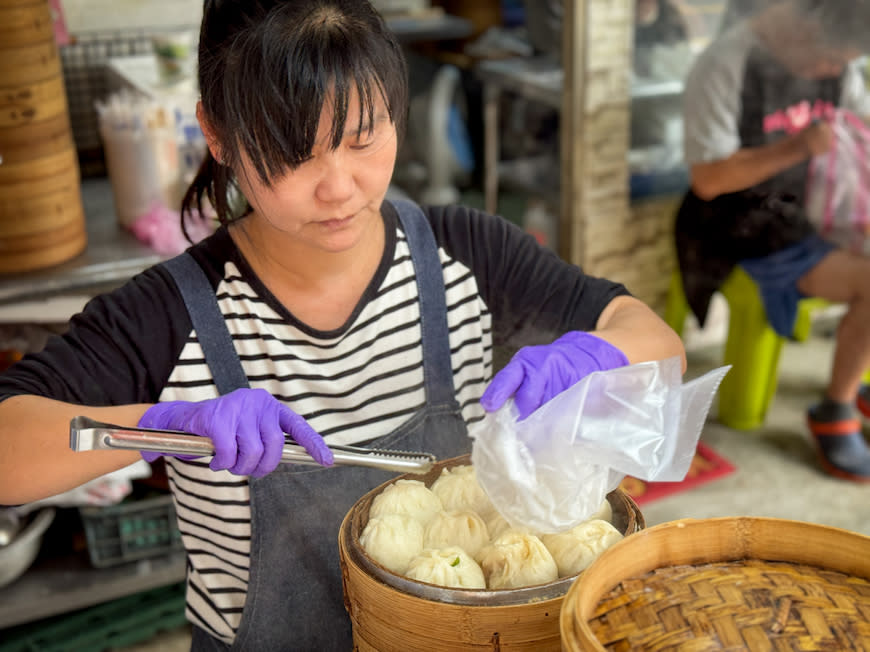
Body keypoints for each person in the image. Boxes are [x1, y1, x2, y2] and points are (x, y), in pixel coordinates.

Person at [0, 1, 685, 649]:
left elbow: (658, 345)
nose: (339, 187)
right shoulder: (170, 312)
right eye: (294, 152)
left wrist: (597, 355)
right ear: (218, 135)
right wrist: (159, 425)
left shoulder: (464, 255)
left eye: (363, 138)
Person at [675, 0, 870, 482]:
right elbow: (708, 179)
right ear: (800, 27)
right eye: (830, 59)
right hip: (740, 223)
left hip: (809, 212)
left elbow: (862, 123)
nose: (833, 70)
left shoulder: (838, 66)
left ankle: (858, 373)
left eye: (842, 62)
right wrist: (797, 146)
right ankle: (836, 409)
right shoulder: (726, 64)